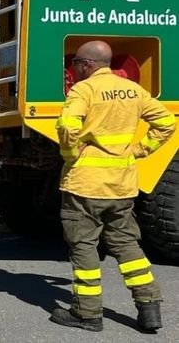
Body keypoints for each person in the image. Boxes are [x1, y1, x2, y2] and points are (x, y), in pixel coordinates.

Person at [50, 41, 175, 332]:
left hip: (85, 186)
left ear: (87, 64)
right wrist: (141, 150)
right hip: (122, 185)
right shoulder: (133, 89)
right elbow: (167, 123)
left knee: (84, 245)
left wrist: (70, 154)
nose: (75, 68)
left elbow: (67, 126)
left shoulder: (83, 89)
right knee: (126, 244)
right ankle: (149, 307)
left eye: (76, 63)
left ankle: (87, 313)